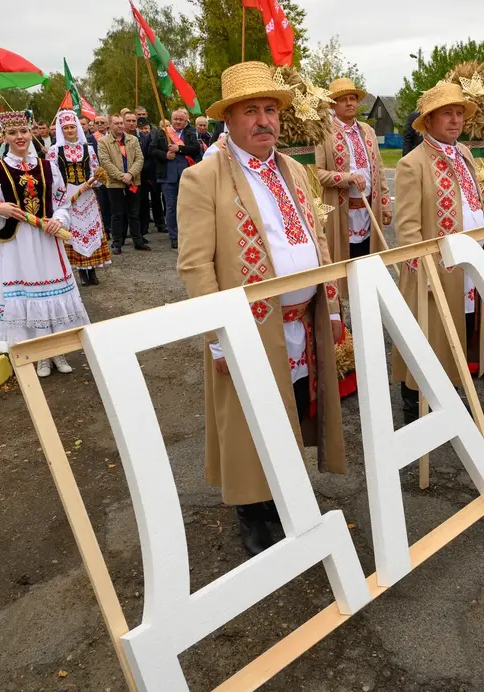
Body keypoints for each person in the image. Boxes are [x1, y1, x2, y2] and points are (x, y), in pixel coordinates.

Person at [177, 61, 346, 556]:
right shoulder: (202, 178)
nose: (263, 120)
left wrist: (332, 306)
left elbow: (318, 238)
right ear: (228, 119)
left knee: (291, 406)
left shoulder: (293, 169)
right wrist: (217, 337)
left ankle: (283, 496)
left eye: (270, 109)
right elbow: (195, 265)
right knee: (248, 417)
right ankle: (251, 511)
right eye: (250, 111)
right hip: (248, 327)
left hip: (302, 321)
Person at [392, 81, 484, 423]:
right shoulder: (412, 164)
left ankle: (450, 394)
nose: (455, 120)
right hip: (434, 269)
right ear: (428, 121)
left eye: (458, 113)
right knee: (425, 335)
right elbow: (407, 226)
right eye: (446, 114)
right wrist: (422, 269)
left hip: (467, 265)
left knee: (458, 330)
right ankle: (414, 402)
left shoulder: (464, 153)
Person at [0, 110, 89, 376]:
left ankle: (58, 351)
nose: (19, 137)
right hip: (18, 244)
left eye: (23, 131)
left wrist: (58, 219)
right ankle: (40, 355)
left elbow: (62, 202)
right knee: (27, 295)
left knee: (52, 293)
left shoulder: (48, 167)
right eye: (13, 133)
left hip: (47, 240)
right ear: (4, 136)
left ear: (30, 133)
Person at [315, 77, 392, 294]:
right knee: (343, 266)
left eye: (352, 98)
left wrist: (385, 203)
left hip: (369, 210)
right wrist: (346, 177)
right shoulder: (324, 133)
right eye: (343, 100)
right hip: (341, 212)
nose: (349, 103)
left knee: (368, 262)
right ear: (333, 105)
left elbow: (378, 170)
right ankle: (341, 308)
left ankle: (367, 303)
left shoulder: (367, 130)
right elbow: (317, 173)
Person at [46, 109, 112, 286]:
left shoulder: (87, 148)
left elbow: (95, 170)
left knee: (90, 230)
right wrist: (63, 195)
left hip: (87, 195)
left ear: (77, 128)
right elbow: (52, 176)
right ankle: (82, 271)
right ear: (61, 130)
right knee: (74, 232)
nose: (70, 130)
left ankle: (92, 269)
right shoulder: (54, 150)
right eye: (66, 128)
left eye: (72, 127)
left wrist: (92, 181)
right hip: (68, 197)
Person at [97, 114, 148, 253]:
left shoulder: (133, 140)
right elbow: (105, 162)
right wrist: (121, 176)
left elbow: (139, 159)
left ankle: (138, 241)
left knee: (134, 213)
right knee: (117, 214)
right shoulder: (103, 142)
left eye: (121, 123)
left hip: (133, 181)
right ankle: (117, 243)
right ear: (110, 125)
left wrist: (130, 174)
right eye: (116, 123)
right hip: (115, 184)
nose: (120, 126)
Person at [151, 107, 201, 249]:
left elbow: (196, 149)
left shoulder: (190, 133)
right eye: (176, 119)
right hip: (168, 177)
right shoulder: (162, 133)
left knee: (187, 206)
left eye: (181, 119)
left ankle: (188, 234)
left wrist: (179, 149)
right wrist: (165, 155)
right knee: (171, 207)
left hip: (187, 175)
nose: (178, 121)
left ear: (186, 121)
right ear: (171, 119)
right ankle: (174, 236)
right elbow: (152, 150)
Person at [137, 119, 165, 235]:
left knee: (156, 199)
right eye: (141, 128)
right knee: (143, 200)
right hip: (140, 173)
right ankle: (144, 226)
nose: (144, 131)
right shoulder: (136, 139)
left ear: (150, 128)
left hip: (153, 171)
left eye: (146, 128)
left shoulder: (155, 136)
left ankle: (160, 223)